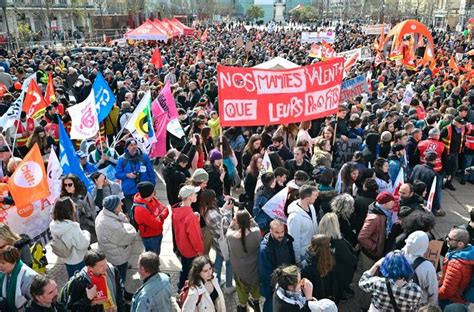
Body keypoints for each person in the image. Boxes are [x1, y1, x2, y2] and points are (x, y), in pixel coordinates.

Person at [95, 195, 136, 283]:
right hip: (118, 257)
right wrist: (126, 223)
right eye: (119, 203)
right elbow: (131, 235)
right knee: (120, 278)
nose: (122, 203)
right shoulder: (112, 225)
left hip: (109, 253)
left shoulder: (103, 214)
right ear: (114, 207)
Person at [227, 210, 261, 312]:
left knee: (241, 289)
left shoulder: (231, 236)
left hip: (239, 270)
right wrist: (249, 217)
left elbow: (229, 228)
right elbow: (255, 225)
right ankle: (256, 304)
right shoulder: (256, 233)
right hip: (254, 268)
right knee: (256, 287)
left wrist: (232, 222)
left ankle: (243, 306)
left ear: (236, 222)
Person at [319, 213, 358, 302]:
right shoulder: (339, 243)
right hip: (341, 274)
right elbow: (351, 260)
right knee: (337, 292)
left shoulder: (321, 241)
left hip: (330, 274)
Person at [201, 189, 234, 293]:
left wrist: (224, 207)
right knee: (229, 263)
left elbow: (219, 215)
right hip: (223, 241)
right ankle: (229, 286)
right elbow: (225, 225)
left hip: (216, 240)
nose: (215, 199)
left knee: (219, 259)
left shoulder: (205, 209)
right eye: (214, 197)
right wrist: (229, 211)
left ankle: (217, 281)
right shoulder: (212, 213)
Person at [259, 220, 296, 312]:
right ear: (271, 231)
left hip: (287, 282)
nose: (280, 235)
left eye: (282, 232)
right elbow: (266, 272)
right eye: (277, 232)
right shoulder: (264, 249)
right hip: (273, 286)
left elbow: (292, 260)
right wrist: (276, 286)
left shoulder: (288, 240)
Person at [49, 197, 90, 278]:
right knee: (81, 281)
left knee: (71, 277)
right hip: (78, 260)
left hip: (66, 258)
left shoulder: (54, 225)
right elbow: (83, 244)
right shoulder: (72, 227)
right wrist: (86, 233)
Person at [172, 185, 204, 290]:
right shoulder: (190, 217)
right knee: (191, 273)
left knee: (185, 269)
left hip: (182, 246)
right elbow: (195, 239)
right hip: (191, 251)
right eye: (195, 193)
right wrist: (200, 252)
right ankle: (185, 290)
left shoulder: (178, 209)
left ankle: (180, 287)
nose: (196, 195)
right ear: (190, 197)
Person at [115, 138, 156, 213]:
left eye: (135, 145)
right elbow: (117, 174)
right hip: (129, 191)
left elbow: (151, 172)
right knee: (132, 213)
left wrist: (153, 186)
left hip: (143, 191)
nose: (134, 147)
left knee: (147, 212)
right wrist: (127, 175)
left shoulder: (144, 157)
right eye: (131, 145)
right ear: (127, 147)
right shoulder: (121, 159)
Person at [438, 228, 474, 306]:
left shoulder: (455, 264)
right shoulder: (469, 252)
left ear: (460, 244)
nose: (447, 239)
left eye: (450, 239)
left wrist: (434, 294)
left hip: (452, 300)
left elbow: (447, 291)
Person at [402, 231, 438, 306]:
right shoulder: (427, 266)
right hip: (415, 306)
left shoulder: (394, 256)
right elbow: (433, 292)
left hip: (394, 301)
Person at [133, 181, 169, 255]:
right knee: (152, 257)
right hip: (151, 237)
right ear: (149, 193)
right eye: (153, 190)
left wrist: (160, 216)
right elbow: (157, 225)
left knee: (156, 253)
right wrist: (161, 216)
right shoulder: (140, 209)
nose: (155, 191)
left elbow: (165, 209)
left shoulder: (151, 199)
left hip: (157, 233)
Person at [287, 185, 319, 264]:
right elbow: (294, 241)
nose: (317, 197)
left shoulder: (311, 206)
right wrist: (298, 261)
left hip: (314, 250)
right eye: (315, 196)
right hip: (303, 255)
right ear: (307, 198)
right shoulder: (294, 217)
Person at [301, 235, 337, 302]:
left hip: (328, 294)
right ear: (323, 248)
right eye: (328, 244)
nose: (330, 244)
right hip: (316, 299)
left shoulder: (330, 256)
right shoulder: (307, 265)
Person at [0, 246, 37, 311]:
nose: (0, 266)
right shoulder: (6, 273)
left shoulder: (29, 277)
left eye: (3, 263)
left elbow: (37, 303)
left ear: (13, 260)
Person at [61, 174, 97, 241]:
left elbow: (92, 211)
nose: (67, 187)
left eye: (70, 184)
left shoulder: (83, 195)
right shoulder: (65, 197)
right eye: (65, 185)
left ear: (75, 184)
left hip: (86, 227)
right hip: (73, 228)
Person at [410, 151, 446, 216]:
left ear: (425, 159)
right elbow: (434, 192)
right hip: (424, 202)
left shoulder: (416, 167)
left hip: (412, 198)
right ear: (435, 160)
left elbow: (410, 181)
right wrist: (437, 207)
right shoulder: (434, 174)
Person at [440, 116, 466, 191]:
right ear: (455, 123)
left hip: (455, 152)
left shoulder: (462, 128)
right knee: (445, 169)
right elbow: (440, 139)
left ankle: (448, 183)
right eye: (460, 123)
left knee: (454, 168)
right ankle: (442, 183)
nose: (462, 125)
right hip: (446, 152)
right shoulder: (446, 129)